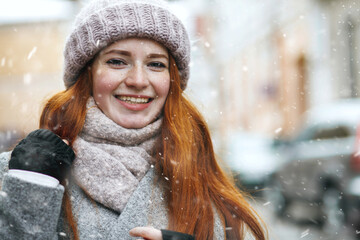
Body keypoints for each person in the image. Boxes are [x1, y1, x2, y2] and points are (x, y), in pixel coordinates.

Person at [0, 0, 267, 239]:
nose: (138, 81)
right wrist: (28, 197)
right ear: (87, 74)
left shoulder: (197, 175)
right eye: (117, 61)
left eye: (156, 64)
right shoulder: (17, 174)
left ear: (172, 80)